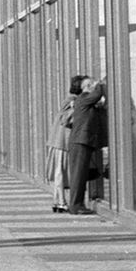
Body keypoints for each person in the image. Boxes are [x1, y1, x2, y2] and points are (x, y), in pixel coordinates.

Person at [61, 72, 106, 215]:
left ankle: (77, 203)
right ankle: (75, 205)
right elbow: (97, 94)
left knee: (80, 174)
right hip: (80, 142)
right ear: (86, 87)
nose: (93, 85)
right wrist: (101, 84)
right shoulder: (84, 98)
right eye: (90, 84)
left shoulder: (86, 101)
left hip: (82, 142)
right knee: (78, 175)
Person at [45, 79, 79, 212]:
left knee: (60, 172)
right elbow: (65, 119)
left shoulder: (70, 100)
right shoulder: (71, 101)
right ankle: (60, 202)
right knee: (61, 171)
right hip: (61, 141)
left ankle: (58, 201)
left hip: (59, 141)